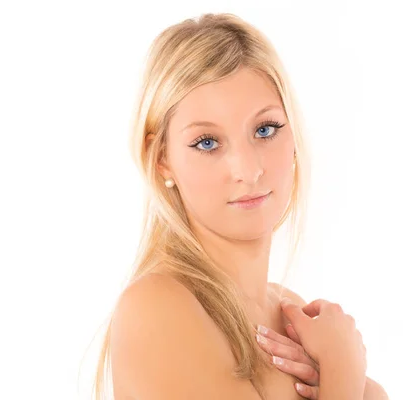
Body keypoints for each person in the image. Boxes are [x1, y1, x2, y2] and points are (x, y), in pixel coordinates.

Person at [92, 12, 389, 400]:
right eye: (207, 143)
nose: (248, 171)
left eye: (265, 130)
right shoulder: (157, 307)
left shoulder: (291, 311)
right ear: (160, 157)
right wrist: (346, 370)